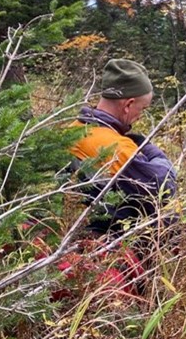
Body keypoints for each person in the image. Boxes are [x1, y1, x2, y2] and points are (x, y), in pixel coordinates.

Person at [69, 59, 177, 235]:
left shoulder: (71, 129)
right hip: (114, 233)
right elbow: (164, 189)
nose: (140, 116)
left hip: (80, 225)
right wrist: (150, 150)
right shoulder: (116, 147)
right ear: (128, 105)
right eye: (142, 109)